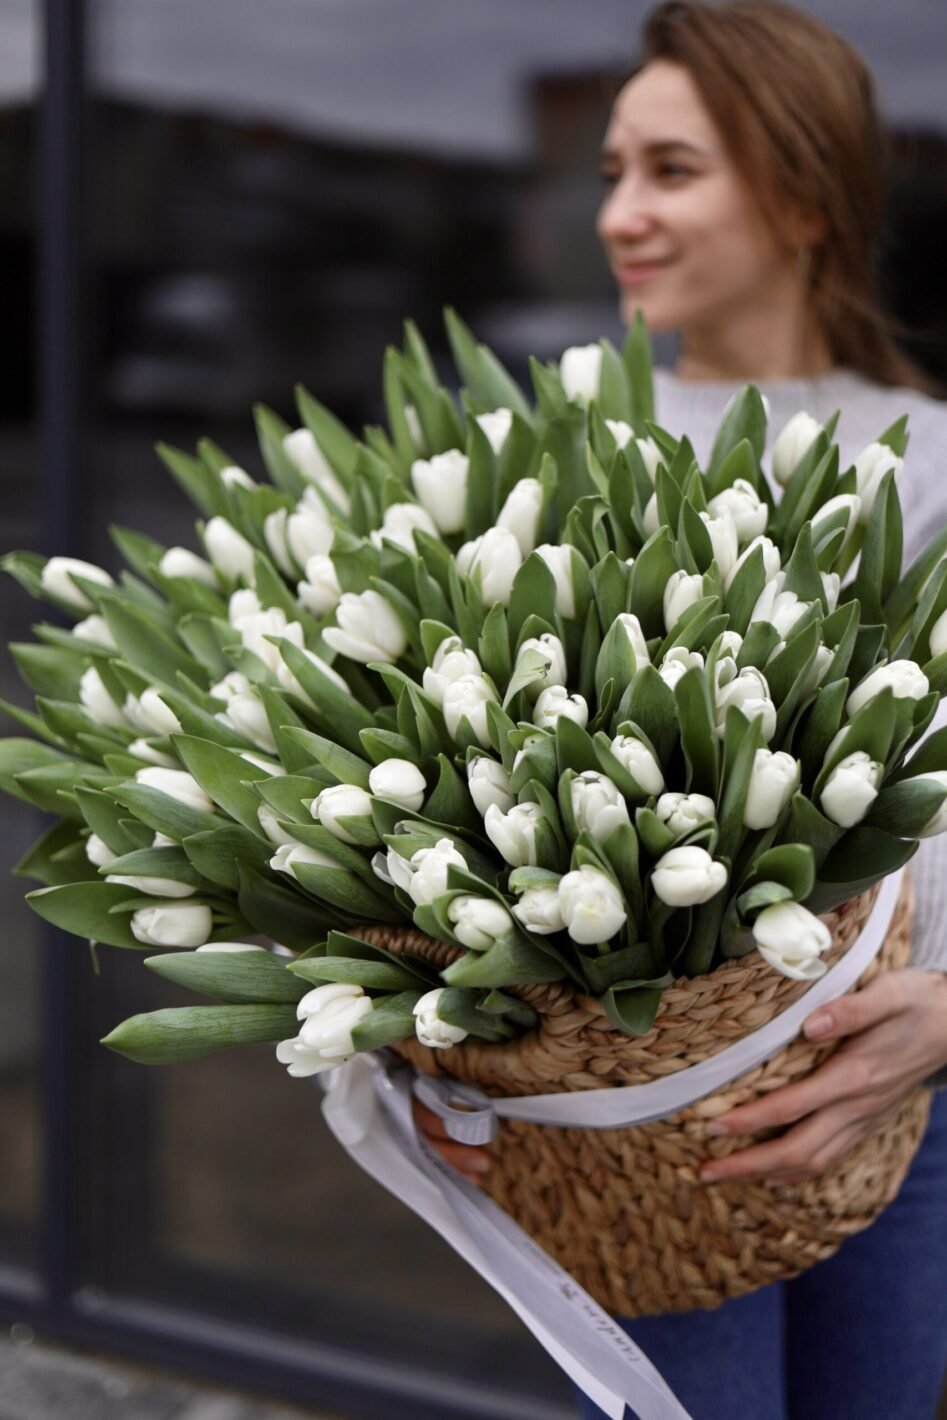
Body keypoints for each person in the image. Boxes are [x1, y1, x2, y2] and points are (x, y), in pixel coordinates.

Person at [415, 2, 947, 1416]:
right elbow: (452, 780)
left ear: (803, 196)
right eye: (610, 172)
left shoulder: (931, 464)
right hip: (634, 1125)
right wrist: (435, 1047)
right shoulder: (541, 448)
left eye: (671, 170)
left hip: (897, 1085)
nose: (619, 216)